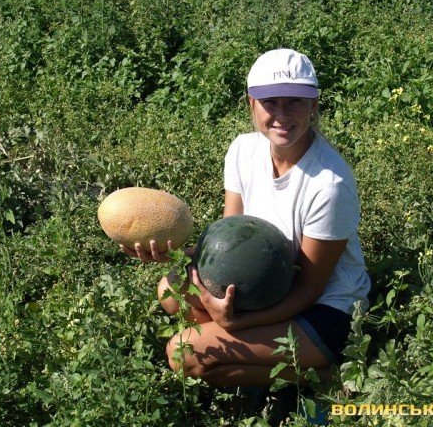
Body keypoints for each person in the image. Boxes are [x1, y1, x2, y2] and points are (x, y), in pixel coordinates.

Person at [120, 48, 371, 388]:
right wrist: (176, 253)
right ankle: (254, 352)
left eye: (294, 101)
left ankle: (321, 377)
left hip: (325, 309)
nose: (282, 114)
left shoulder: (329, 185)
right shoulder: (243, 150)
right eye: (270, 102)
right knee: (170, 289)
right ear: (252, 104)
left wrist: (234, 323)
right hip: (266, 288)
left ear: (314, 105)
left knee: (187, 354)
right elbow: (229, 244)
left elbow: (311, 287)